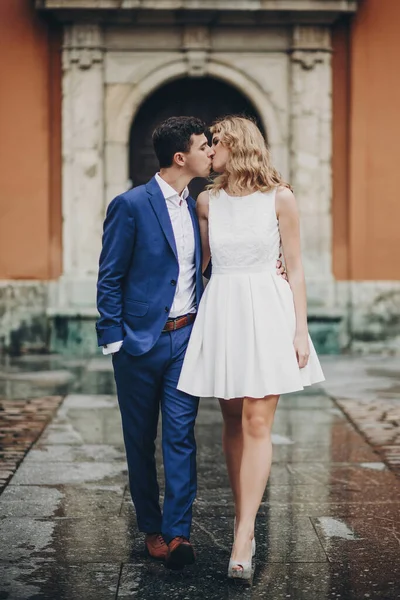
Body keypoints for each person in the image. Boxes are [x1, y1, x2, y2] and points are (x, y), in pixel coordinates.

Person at [96, 116, 287, 571]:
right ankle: (151, 528)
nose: (210, 151)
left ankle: (179, 533)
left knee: (180, 437)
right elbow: (110, 276)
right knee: (140, 440)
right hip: (138, 344)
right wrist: (113, 338)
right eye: (205, 146)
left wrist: (268, 268)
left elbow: (212, 261)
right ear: (182, 157)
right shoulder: (131, 205)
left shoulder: (200, 204)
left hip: (187, 335)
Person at [177, 116, 325, 583]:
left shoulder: (281, 198)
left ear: (236, 146)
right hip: (223, 310)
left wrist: (300, 331)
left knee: (258, 420)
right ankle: (247, 517)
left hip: (268, 310)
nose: (208, 150)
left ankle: (244, 535)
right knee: (231, 418)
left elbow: (296, 268)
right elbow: (197, 264)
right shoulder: (206, 201)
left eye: (215, 142)